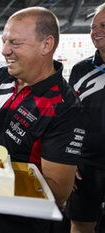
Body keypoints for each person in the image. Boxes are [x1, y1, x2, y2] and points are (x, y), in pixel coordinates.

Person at [0, 7, 84, 233]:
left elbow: (57, 192)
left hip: (25, 223)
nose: (4, 50)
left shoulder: (64, 105)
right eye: (4, 41)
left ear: (46, 45)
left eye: (15, 43)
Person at [65, 3, 105, 233]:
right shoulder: (81, 71)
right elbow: (70, 120)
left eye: (103, 25)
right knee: (81, 225)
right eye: (93, 26)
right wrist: (70, 160)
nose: (96, 31)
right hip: (87, 165)